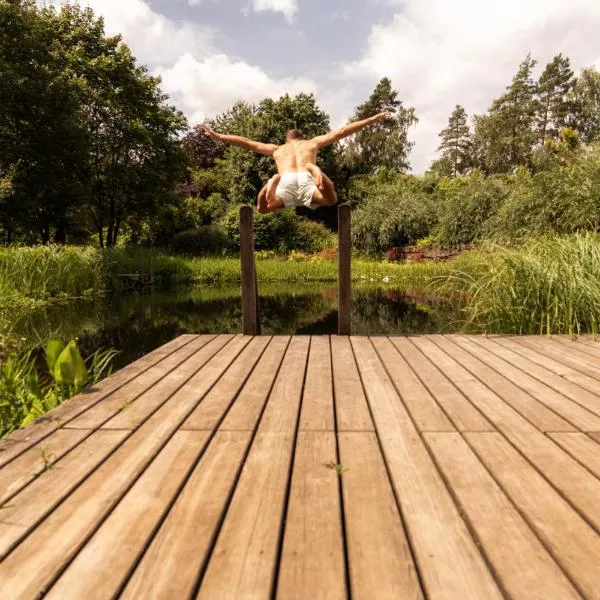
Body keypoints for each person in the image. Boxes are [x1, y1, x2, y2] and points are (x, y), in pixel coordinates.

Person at [200, 111, 390, 213]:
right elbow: (341, 132)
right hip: (307, 178)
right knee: (331, 200)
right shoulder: (312, 143)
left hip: (286, 180)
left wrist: (218, 136)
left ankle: (270, 185)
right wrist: (372, 119)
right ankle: (316, 171)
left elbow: (247, 143)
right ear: (302, 138)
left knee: (262, 209)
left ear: (286, 140)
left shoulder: (277, 150)